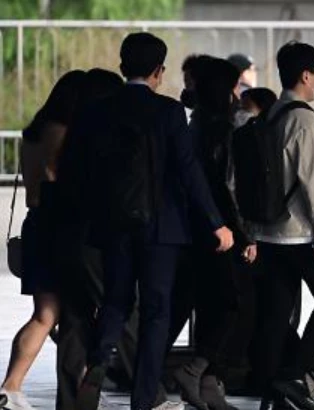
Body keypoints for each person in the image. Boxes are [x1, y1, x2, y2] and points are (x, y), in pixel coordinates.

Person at [74, 32, 234, 410]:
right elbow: (189, 171)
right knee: (156, 311)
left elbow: (85, 170)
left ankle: (99, 360)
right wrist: (216, 222)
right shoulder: (168, 112)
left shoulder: (99, 111)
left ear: (122, 66)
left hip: (114, 224)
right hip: (162, 228)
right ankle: (144, 397)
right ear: (159, 71)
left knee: (115, 301)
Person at [248, 41, 314, 410]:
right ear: (306, 75)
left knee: (277, 314)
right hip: (301, 233)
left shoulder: (271, 114)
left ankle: (273, 391)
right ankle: (295, 374)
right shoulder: (304, 119)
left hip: (268, 231)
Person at [170, 56, 258, 410]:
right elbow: (228, 187)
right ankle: (197, 370)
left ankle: (207, 384)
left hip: (197, 228)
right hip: (223, 231)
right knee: (235, 304)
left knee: (209, 303)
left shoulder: (195, 125)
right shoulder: (224, 129)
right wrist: (245, 234)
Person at [1, 70, 87, 410]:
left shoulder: (33, 133)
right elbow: (55, 177)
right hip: (58, 224)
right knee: (54, 315)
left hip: (37, 221)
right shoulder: (61, 130)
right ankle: (12, 386)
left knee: (46, 314)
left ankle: (13, 387)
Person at [51, 68, 136, 410]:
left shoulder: (72, 134)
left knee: (74, 317)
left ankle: (70, 400)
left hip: (65, 233)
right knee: (122, 306)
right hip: (100, 235)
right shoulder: (107, 133)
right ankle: (147, 388)